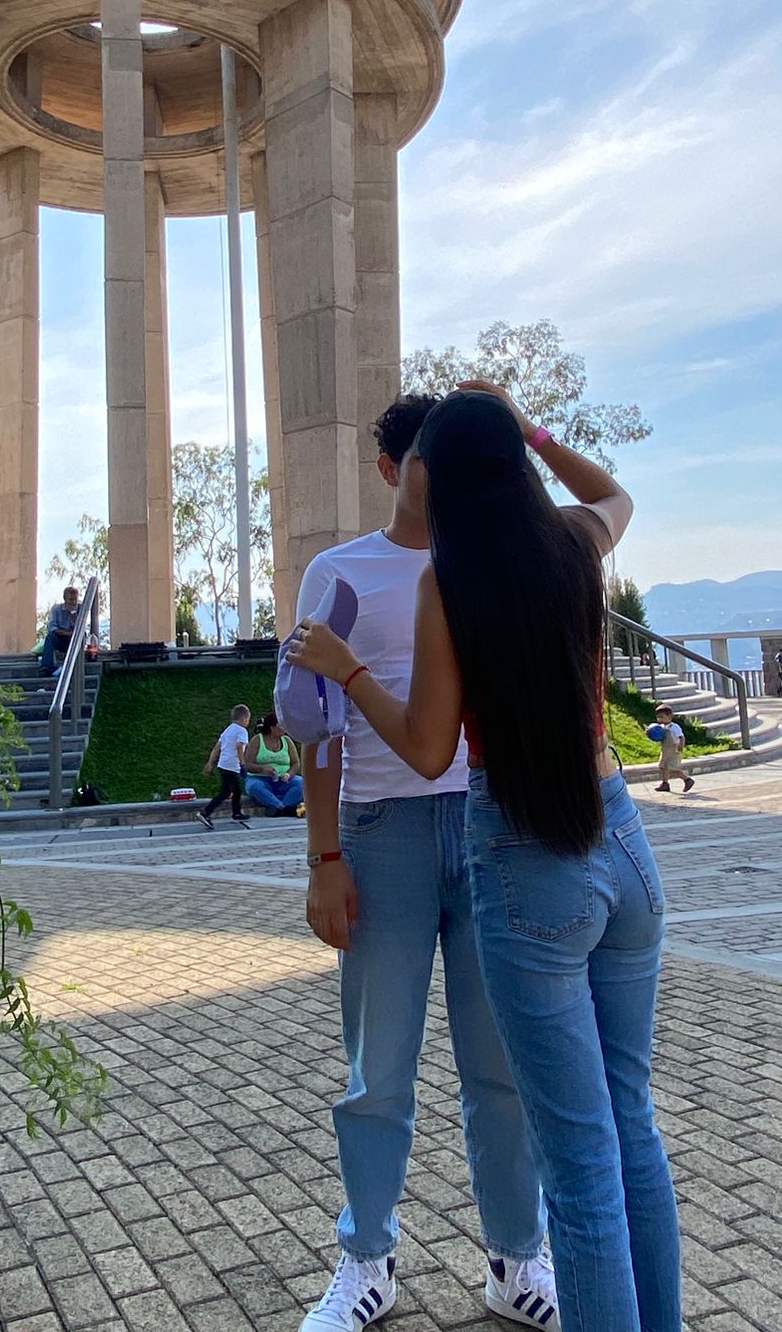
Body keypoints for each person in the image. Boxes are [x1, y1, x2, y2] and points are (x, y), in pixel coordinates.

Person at [290, 384, 682, 1332]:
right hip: (609, 836)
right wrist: (530, 427)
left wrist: (349, 668)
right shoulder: (571, 543)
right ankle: (373, 1257)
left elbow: (430, 748)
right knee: (626, 1129)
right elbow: (616, 497)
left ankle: (518, 1259)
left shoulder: (451, 578)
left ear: (444, 473)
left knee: (569, 1153)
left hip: (513, 849)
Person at [293, 394, 558, 1332]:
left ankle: (516, 1258)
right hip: (381, 835)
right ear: (390, 470)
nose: (438, 477)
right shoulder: (338, 571)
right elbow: (315, 724)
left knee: (503, 1066)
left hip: (488, 825)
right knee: (378, 1072)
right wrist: (324, 856)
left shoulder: (483, 557)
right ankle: (367, 1259)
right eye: (421, 461)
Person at [200, 705, 251, 830]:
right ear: (243, 718)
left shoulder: (228, 730)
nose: (248, 722)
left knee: (237, 790)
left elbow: (217, 747)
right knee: (226, 792)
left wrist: (210, 763)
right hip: (232, 766)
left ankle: (236, 813)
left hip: (223, 765)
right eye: (248, 719)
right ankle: (205, 813)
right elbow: (239, 747)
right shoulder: (242, 731)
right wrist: (243, 764)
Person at [243, 713, 304, 815]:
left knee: (302, 784)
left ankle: (279, 808)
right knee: (254, 787)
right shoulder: (257, 740)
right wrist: (262, 768)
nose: (284, 728)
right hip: (260, 778)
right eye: (281, 726)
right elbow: (248, 765)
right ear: (272, 728)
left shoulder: (287, 741)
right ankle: (283, 808)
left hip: (283, 780)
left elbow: (296, 763)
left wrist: (288, 775)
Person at [40, 587, 81, 677]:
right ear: (65, 599)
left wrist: (75, 619)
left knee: (82, 637)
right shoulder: (57, 609)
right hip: (61, 638)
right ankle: (45, 667)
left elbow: (82, 629)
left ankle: (75, 665)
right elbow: (52, 627)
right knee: (50, 637)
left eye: (75, 599)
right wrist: (66, 633)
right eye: (71, 599)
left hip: (74, 639)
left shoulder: (80, 609)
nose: (73, 602)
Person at [654, 704, 694, 794]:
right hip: (665, 751)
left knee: (673, 769)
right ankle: (665, 784)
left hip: (674, 751)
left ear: (669, 716)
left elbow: (681, 737)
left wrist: (681, 746)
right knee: (663, 767)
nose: (660, 719)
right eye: (658, 717)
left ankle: (687, 780)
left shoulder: (674, 727)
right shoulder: (662, 727)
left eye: (662, 717)